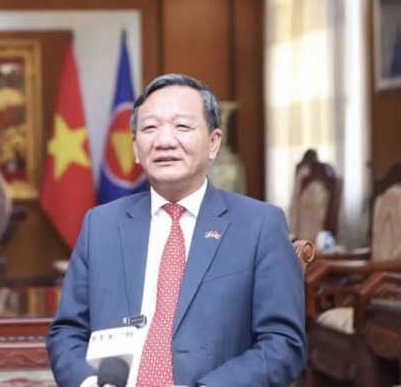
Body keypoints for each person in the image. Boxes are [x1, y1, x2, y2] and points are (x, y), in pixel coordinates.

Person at [46, 73, 307, 387]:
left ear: (214, 142)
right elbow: (67, 332)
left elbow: (282, 343)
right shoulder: (100, 225)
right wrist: (90, 384)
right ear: (135, 148)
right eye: (150, 128)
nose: (164, 141)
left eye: (182, 126)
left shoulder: (260, 225)